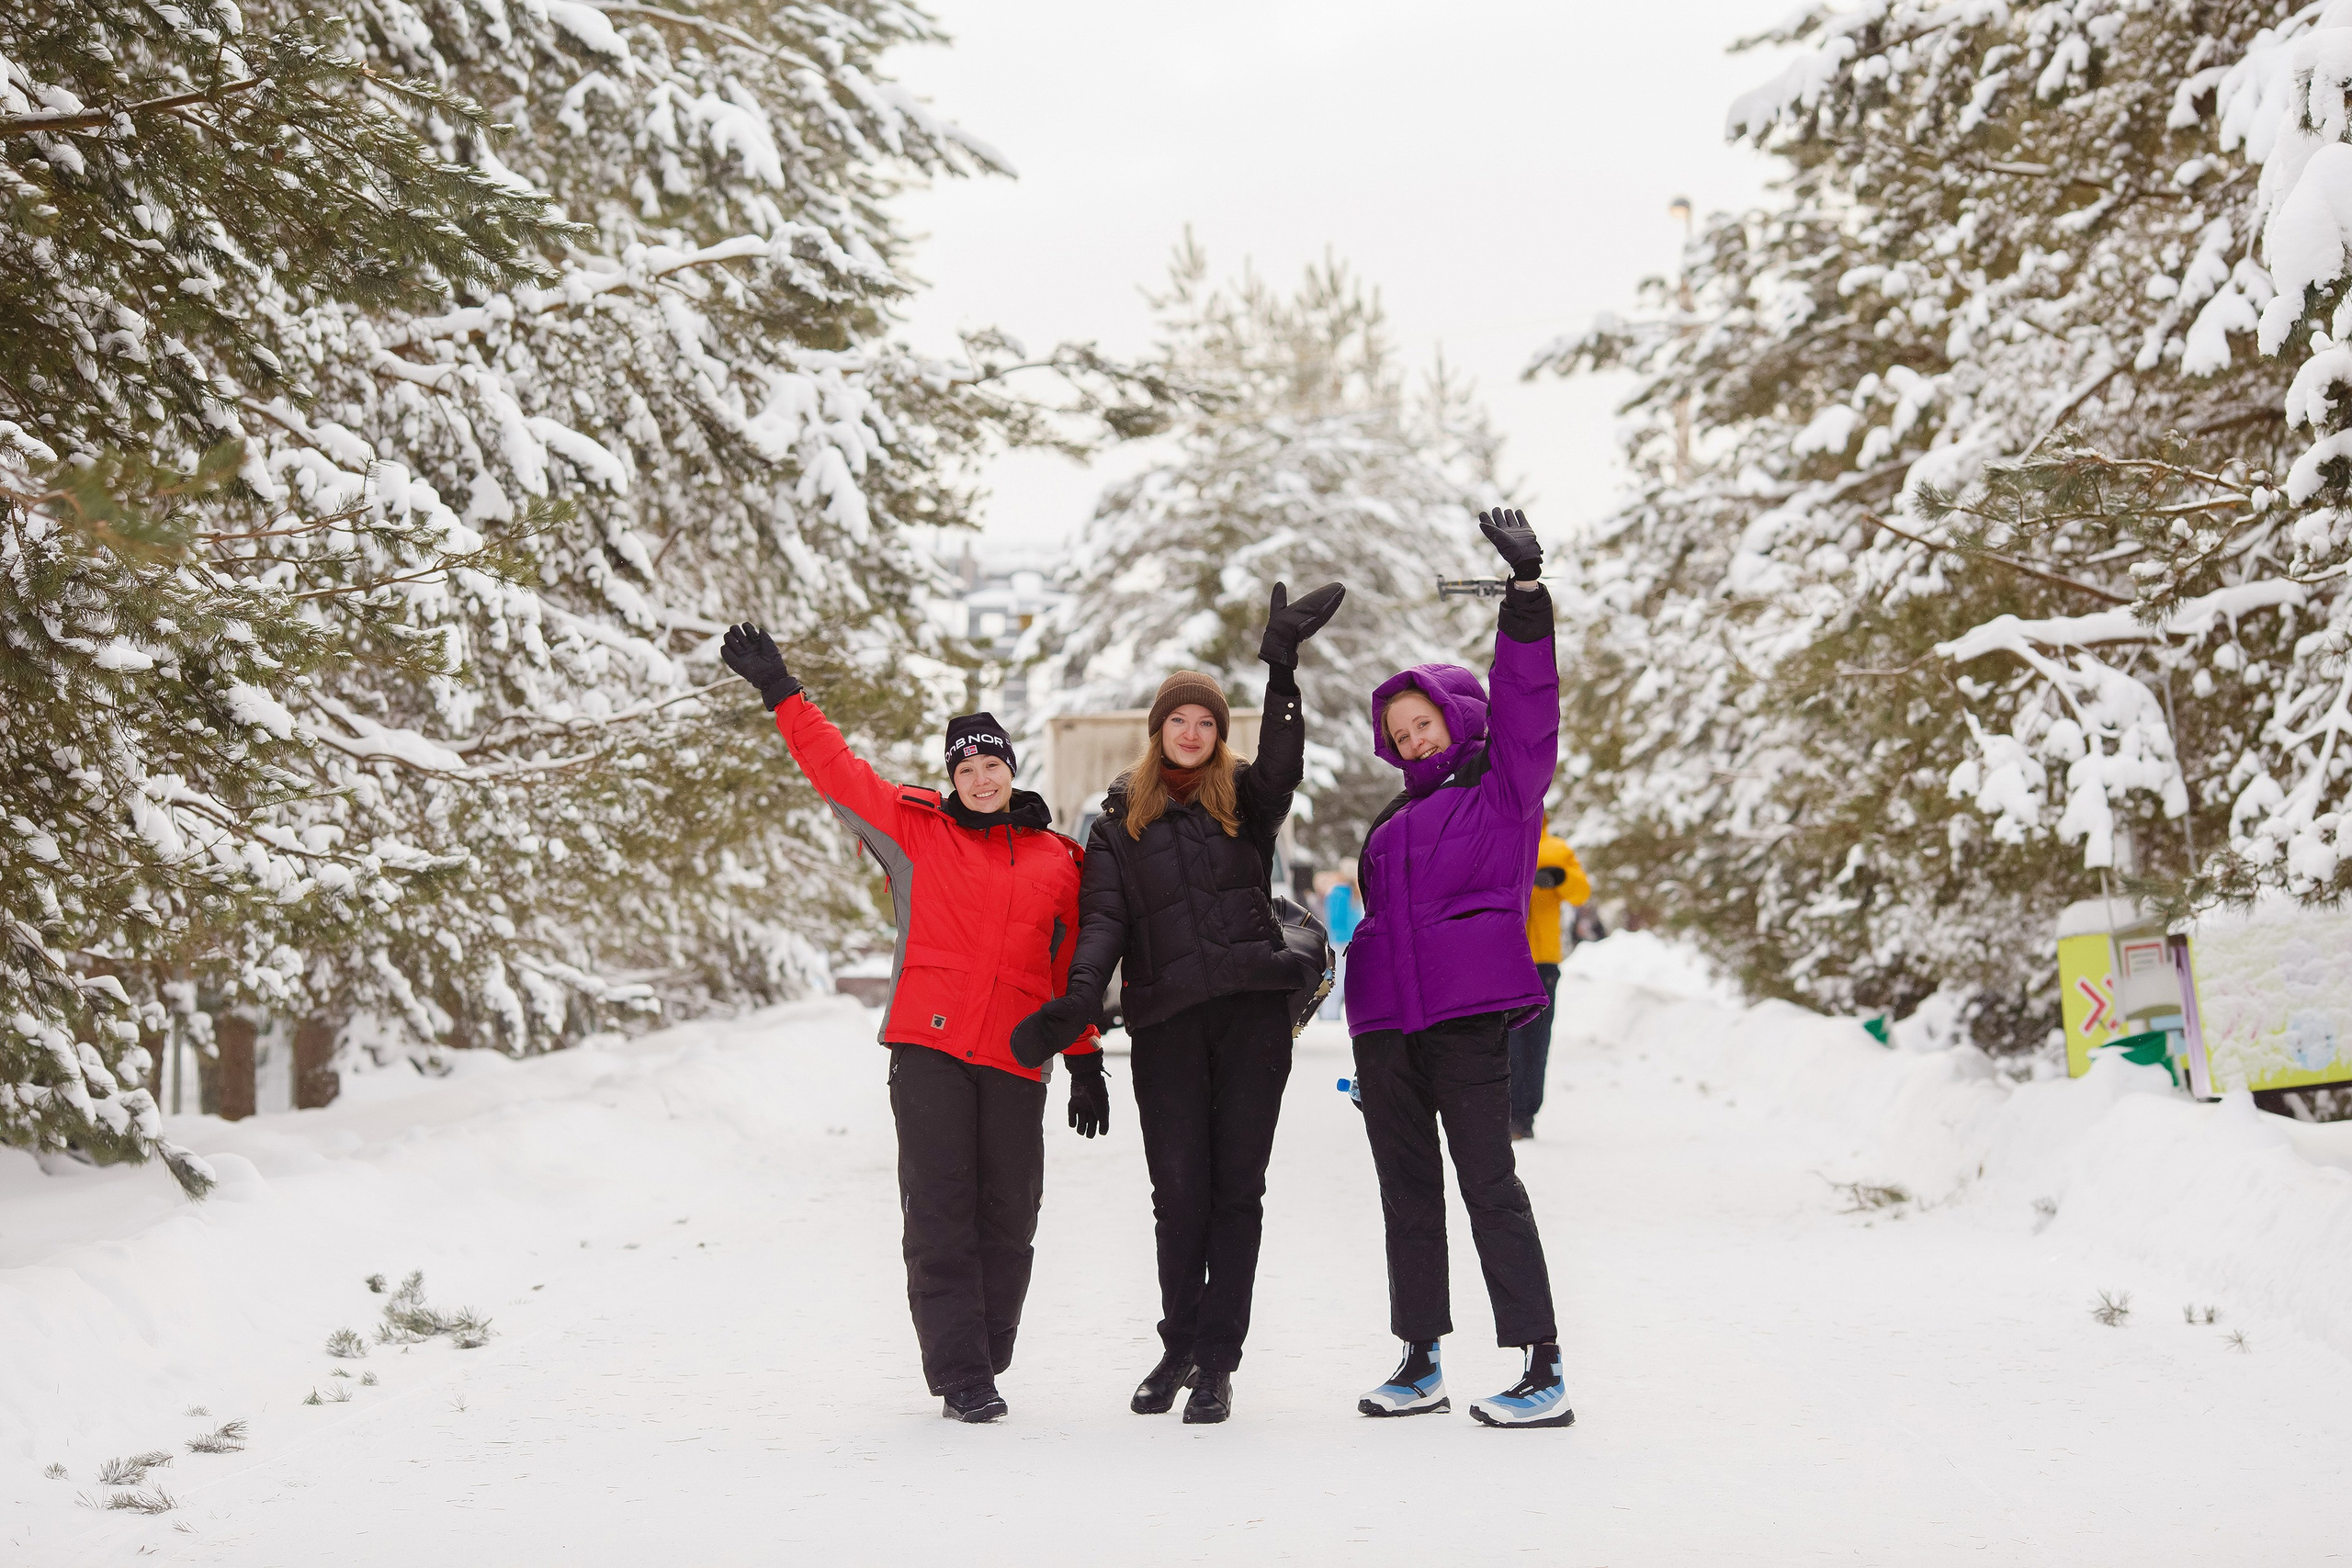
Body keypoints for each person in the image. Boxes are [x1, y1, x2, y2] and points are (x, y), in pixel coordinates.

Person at [720, 624, 1106, 1427]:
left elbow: (1071, 972)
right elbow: (836, 770)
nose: (979, 777)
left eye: (991, 763)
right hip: (928, 1047)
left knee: (1011, 1213)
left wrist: (1083, 1059)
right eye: (965, 767)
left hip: (1014, 1054)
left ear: (1011, 768)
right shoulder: (915, 830)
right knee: (939, 1209)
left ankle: (985, 1349)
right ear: (952, 776)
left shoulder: (1059, 862)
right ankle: (963, 1371)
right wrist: (782, 692)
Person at [1012, 581, 1346, 1426]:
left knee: (1238, 1192)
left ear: (1217, 734)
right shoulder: (1119, 818)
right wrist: (1078, 1001)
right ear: (1158, 731)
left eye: (1206, 722)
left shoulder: (1248, 803)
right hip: (1165, 1026)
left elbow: (1283, 762)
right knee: (1178, 1194)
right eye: (1178, 721)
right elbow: (1103, 924)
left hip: (1251, 1022)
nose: (1192, 732)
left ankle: (1217, 1362)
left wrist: (1282, 669)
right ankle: (1178, 1343)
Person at [1342, 508, 1572, 1429]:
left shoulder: (1503, 791)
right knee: (1406, 1194)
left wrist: (1523, 598)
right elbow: (1380, 930)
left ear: (1454, 715)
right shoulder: (1389, 827)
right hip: (1390, 1031)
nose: (1412, 738)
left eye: (1422, 720)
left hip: (1470, 1018)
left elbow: (1527, 701)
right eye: (1397, 730)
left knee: (1488, 1184)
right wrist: (1362, 1033)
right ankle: (1420, 1356)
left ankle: (1540, 1364)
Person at [1507, 832, 1589, 1140]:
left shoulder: (1555, 849)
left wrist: (1559, 878)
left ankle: (1524, 1115)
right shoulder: (1498, 839)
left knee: (1536, 1040)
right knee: (1504, 1038)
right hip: (1503, 958)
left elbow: (1580, 892)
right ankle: (1503, 1111)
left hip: (1542, 962)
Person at [1317, 864, 1363, 1023]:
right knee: (1341, 976)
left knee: (1334, 976)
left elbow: (1334, 919)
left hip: (1340, 941)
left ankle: (1329, 1011)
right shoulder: (1351, 893)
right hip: (1348, 940)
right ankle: (1330, 1012)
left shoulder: (1338, 893)